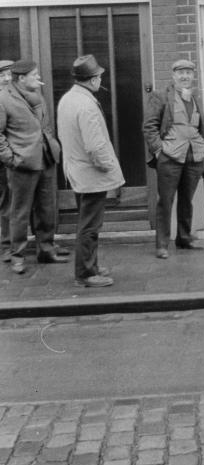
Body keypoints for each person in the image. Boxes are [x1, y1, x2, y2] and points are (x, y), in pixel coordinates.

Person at [57, 54, 125, 289]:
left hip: (77, 171)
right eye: (99, 76)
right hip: (91, 175)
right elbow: (95, 147)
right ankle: (85, 273)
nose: (100, 79)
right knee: (90, 226)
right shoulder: (86, 105)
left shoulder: (68, 99)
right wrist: (109, 166)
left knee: (86, 223)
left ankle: (90, 265)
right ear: (93, 79)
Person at [0, 59, 68, 275]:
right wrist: (11, 159)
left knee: (46, 209)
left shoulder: (37, 94)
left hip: (45, 159)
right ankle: (17, 256)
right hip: (22, 164)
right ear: (21, 78)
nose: (38, 78)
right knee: (19, 212)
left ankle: (46, 250)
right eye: (34, 75)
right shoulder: (3, 99)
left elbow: (44, 125)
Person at [143, 58, 204, 259]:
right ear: (173, 76)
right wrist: (158, 151)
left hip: (193, 157)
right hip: (170, 157)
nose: (185, 76)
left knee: (187, 200)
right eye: (180, 73)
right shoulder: (161, 97)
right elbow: (149, 126)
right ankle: (162, 244)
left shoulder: (195, 97)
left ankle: (184, 238)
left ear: (193, 76)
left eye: (188, 73)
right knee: (166, 201)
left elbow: (201, 127)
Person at [0, 60, 14, 262]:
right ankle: (7, 245)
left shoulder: (15, 96)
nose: (6, 79)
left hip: (18, 157)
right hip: (5, 160)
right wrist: (7, 156)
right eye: (2, 75)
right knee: (6, 201)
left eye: (10, 74)